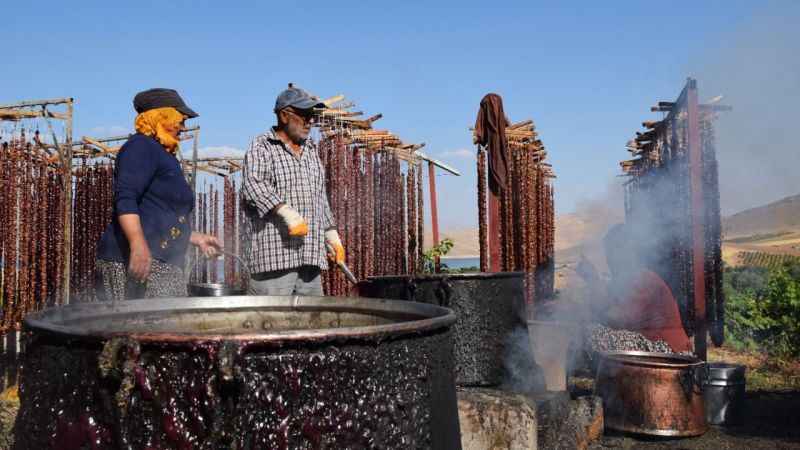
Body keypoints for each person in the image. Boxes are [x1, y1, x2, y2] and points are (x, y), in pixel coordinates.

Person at [96, 88, 221, 301]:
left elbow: (158, 215)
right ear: (161, 117)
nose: (183, 127)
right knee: (137, 329)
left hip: (163, 260)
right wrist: (137, 244)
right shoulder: (140, 147)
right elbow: (125, 198)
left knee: (166, 329)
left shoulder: (164, 154)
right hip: (137, 258)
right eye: (180, 120)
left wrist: (196, 238)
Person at [241, 84, 345, 296]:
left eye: (312, 116)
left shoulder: (311, 151)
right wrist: (285, 212)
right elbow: (253, 185)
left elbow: (320, 198)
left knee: (312, 323)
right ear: (284, 116)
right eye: (304, 115)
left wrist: (331, 234)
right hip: (275, 260)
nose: (310, 122)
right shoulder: (262, 146)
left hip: (311, 260)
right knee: (271, 324)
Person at [578, 223, 692, 352]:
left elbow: (617, 319)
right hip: (649, 345)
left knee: (595, 334)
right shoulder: (621, 282)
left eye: (614, 251)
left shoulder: (644, 279)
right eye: (608, 253)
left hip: (668, 349)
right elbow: (603, 308)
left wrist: (594, 280)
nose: (609, 259)